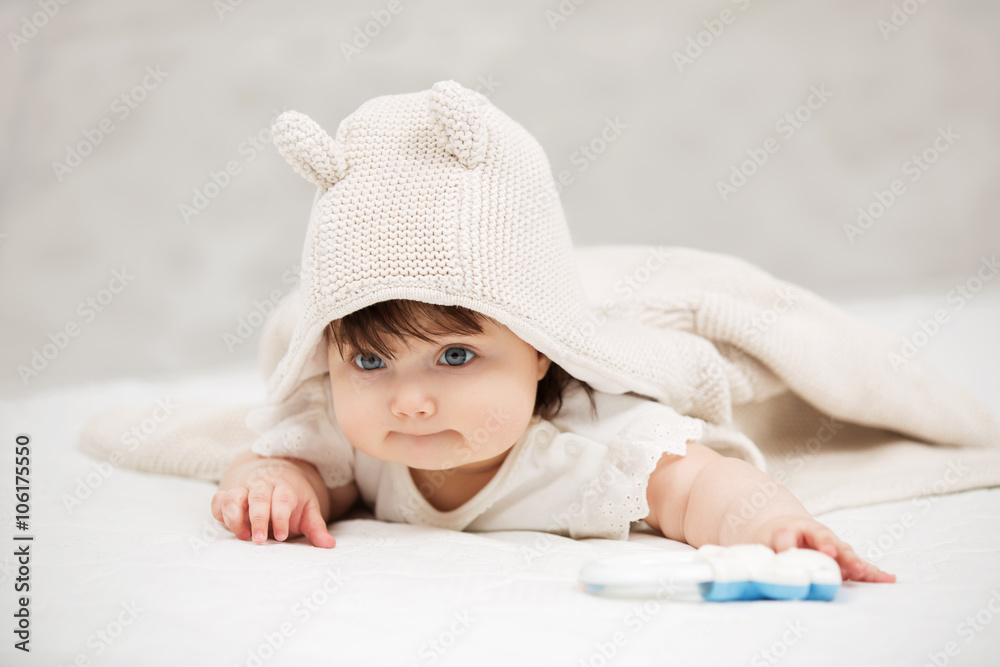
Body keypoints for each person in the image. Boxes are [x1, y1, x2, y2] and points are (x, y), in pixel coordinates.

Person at [211, 80, 894, 584]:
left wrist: (772, 525)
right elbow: (297, 460)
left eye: (454, 355)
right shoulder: (351, 432)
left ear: (539, 348)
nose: (409, 400)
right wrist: (271, 481)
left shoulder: (595, 439)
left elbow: (699, 488)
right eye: (368, 360)